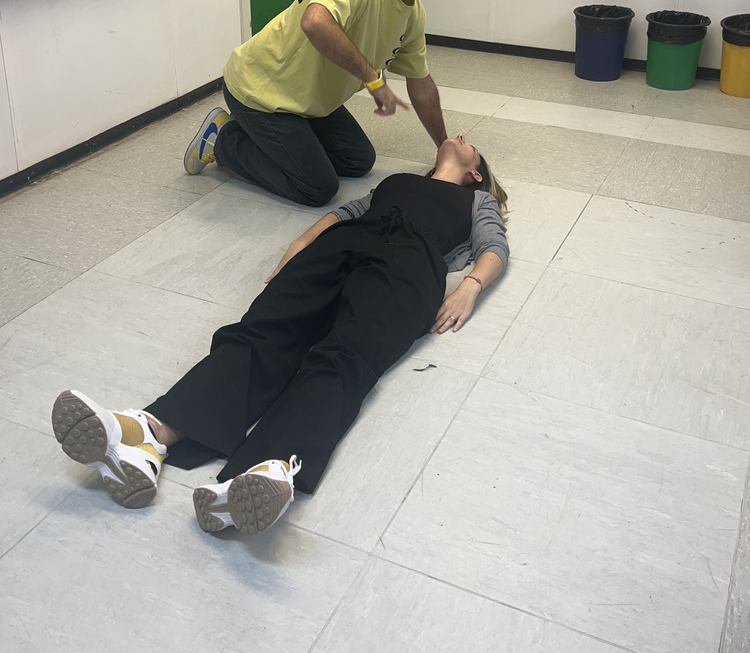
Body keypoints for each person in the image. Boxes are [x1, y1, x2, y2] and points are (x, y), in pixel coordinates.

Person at [52, 136, 509, 538]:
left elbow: (494, 247)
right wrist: (301, 244)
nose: (460, 135)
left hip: (410, 265)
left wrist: (469, 287)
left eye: (470, 144)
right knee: (261, 331)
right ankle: (148, 435)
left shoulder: (476, 201)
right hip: (343, 243)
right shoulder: (397, 181)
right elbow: (344, 213)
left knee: (344, 356)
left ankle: (256, 477)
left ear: (475, 172)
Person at [183, 0, 465, 206]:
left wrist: (444, 147)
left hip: (306, 98)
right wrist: (373, 80)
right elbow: (315, 22)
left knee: (358, 161)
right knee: (317, 187)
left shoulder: (412, 10)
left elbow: (420, 83)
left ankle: (285, 141)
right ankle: (223, 139)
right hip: (261, 91)